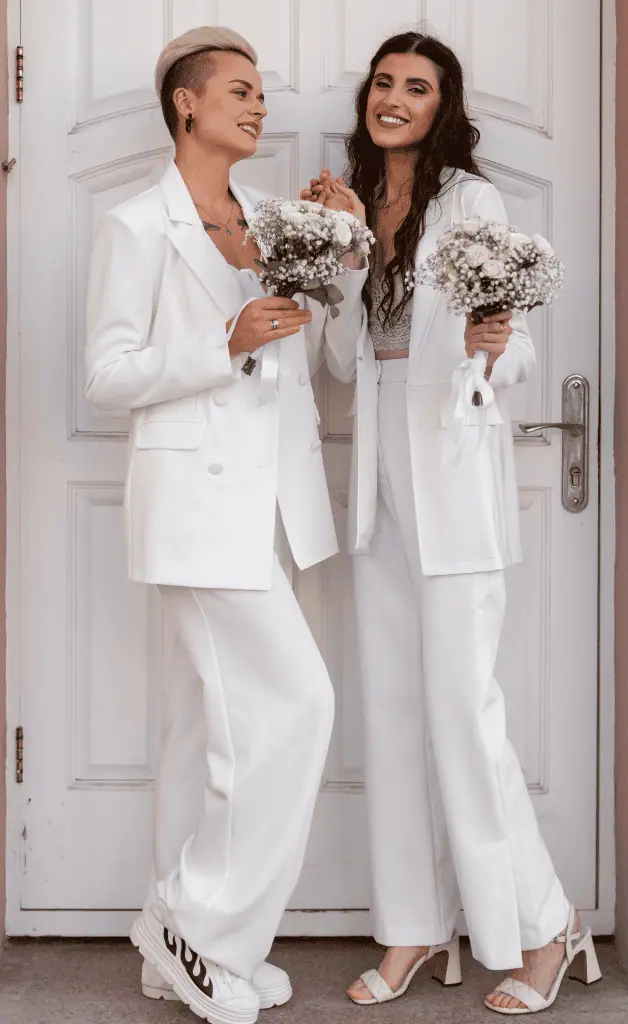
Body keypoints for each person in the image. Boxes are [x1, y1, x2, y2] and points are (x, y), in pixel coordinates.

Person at [302, 31, 602, 1015]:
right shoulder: (354, 199)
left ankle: (545, 925)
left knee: (463, 720)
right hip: (380, 487)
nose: (393, 98)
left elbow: (507, 357)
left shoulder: (471, 202)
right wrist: (339, 253)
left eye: (415, 87)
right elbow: (345, 362)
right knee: (388, 715)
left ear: (443, 105)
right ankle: (414, 928)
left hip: (456, 480)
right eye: (383, 84)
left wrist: (494, 343)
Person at [85, 27, 337, 1024]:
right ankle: (207, 933)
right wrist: (218, 339)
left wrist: (340, 243)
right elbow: (108, 375)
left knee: (201, 731)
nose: (259, 105)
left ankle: (175, 952)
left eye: (262, 93)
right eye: (239, 89)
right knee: (295, 707)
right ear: (185, 104)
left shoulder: (273, 220)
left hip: (269, 503)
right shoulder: (135, 224)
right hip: (194, 506)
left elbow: (304, 358)